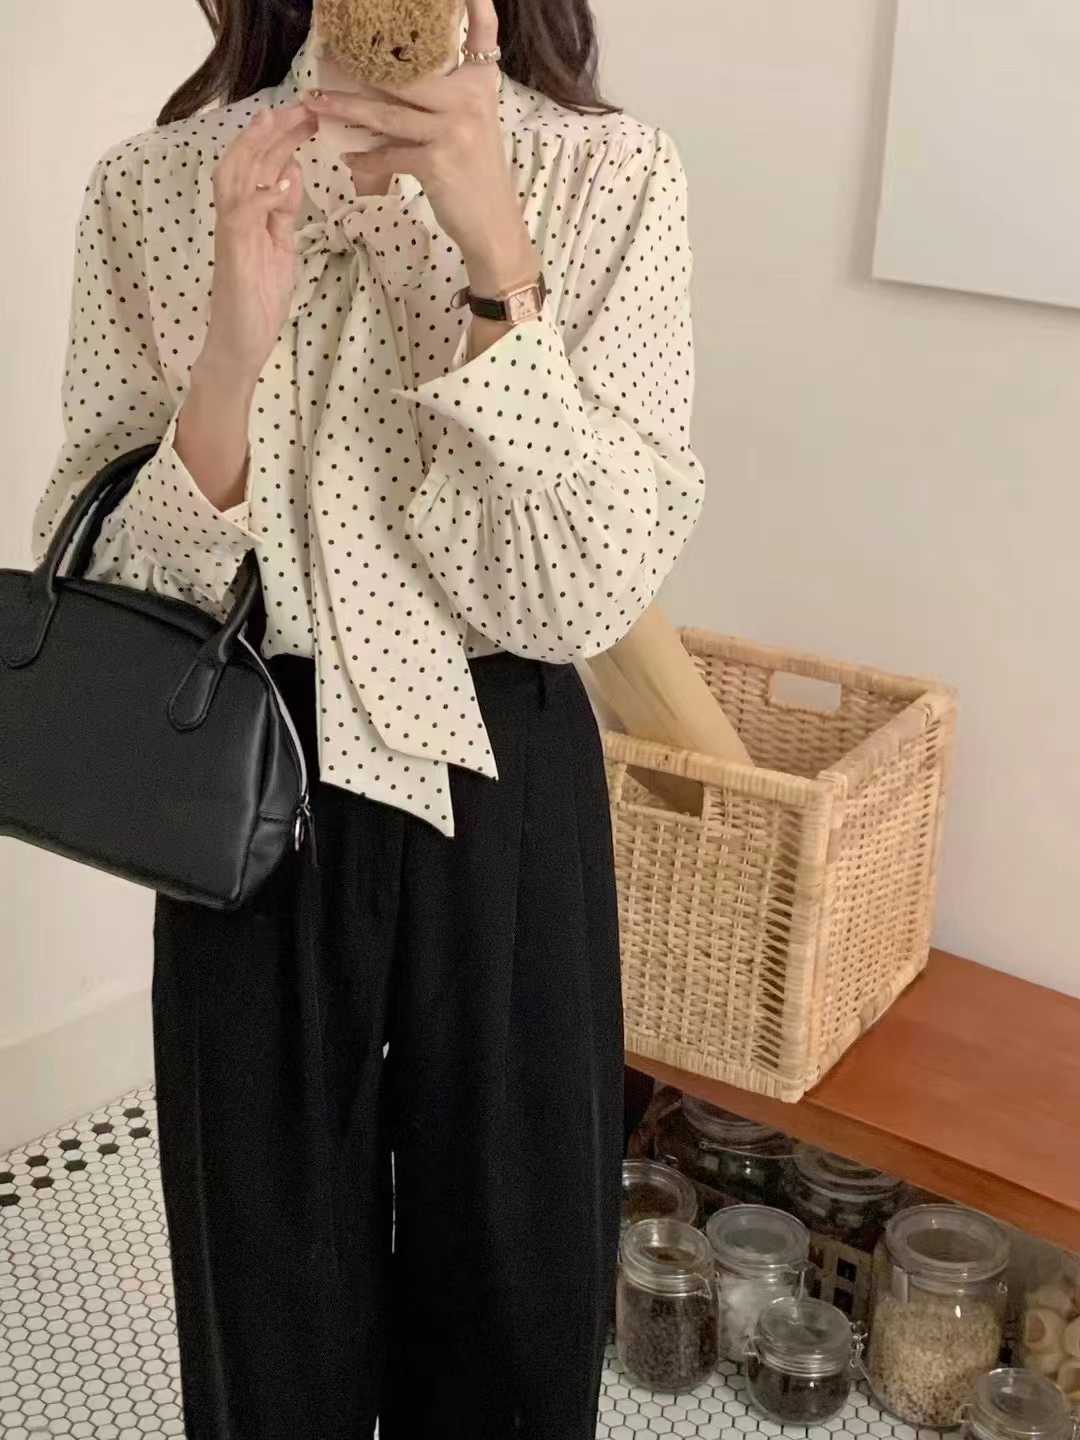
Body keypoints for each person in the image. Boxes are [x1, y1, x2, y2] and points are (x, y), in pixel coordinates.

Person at [31, 0, 705, 1435]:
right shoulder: (155, 188)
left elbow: (585, 593)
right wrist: (231, 354)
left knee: (519, 1302)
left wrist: (498, 262)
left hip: (505, 774)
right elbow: (98, 596)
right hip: (241, 783)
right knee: (264, 1315)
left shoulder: (609, 176)